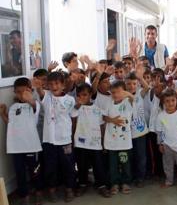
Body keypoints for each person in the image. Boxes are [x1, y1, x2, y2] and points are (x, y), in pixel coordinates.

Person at [33, 71, 76, 202]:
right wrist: (38, 86)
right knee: (50, 167)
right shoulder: (47, 97)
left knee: (68, 166)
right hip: (49, 141)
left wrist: (72, 136)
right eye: (50, 84)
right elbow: (41, 92)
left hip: (65, 140)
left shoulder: (70, 100)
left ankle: (69, 189)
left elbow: (74, 118)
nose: (54, 86)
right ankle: (52, 190)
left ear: (63, 85)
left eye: (57, 83)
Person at [0, 77, 43, 205]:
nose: (21, 94)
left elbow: (35, 107)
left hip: (31, 146)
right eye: (18, 92)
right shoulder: (13, 107)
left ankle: (39, 193)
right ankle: (24, 196)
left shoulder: (35, 104)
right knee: (19, 173)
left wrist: (29, 98)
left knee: (35, 171)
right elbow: (11, 124)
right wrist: (3, 114)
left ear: (30, 90)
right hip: (15, 147)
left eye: (24, 91)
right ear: (14, 92)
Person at [71, 83, 110, 197]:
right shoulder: (76, 108)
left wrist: (103, 142)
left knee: (98, 166)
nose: (82, 98)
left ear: (90, 95)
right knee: (82, 165)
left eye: (84, 95)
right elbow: (73, 116)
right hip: (81, 143)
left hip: (95, 143)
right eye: (79, 95)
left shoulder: (98, 110)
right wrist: (73, 140)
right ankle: (82, 184)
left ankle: (101, 185)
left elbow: (102, 126)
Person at [103, 81, 135, 195]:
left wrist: (128, 94)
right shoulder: (109, 103)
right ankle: (114, 183)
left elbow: (133, 100)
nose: (115, 95)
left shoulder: (128, 102)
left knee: (125, 163)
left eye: (118, 92)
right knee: (113, 165)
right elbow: (104, 117)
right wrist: (113, 120)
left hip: (124, 142)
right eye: (113, 92)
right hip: (111, 142)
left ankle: (125, 183)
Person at [155, 89, 177, 189]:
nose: (170, 103)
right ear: (163, 102)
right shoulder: (161, 116)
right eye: (167, 101)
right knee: (167, 164)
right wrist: (160, 144)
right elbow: (160, 132)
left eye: (173, 100)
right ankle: (169, 181)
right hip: (166, 145)